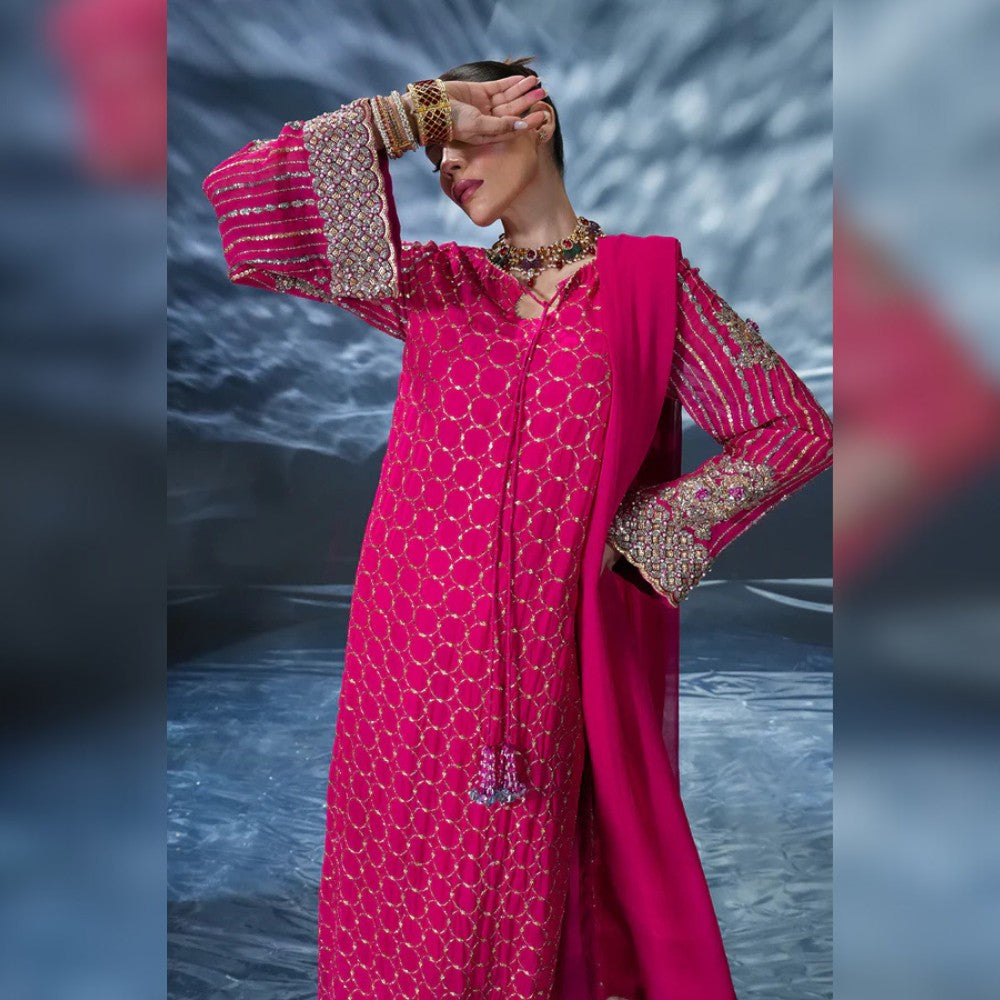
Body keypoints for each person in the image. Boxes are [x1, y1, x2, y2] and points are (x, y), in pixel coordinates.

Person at [203, 55, 833, 1000]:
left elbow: (794, 428)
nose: (447, 168)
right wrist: (410, 114)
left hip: (540, 662)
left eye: (461, 142)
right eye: (434, 157)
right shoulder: (434, 285)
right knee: (394, 892)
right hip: (403, 659)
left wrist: (640, 543)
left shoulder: (648, 287)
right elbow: (247, 211)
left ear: (534, 120)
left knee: (508, 896)